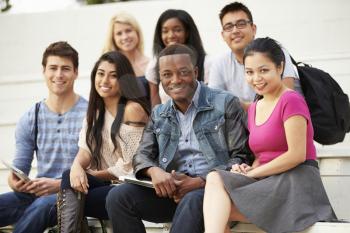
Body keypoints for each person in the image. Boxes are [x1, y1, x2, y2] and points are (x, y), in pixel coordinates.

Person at [105, 44, 253, 233]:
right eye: (167, 74)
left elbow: (241, 157)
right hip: (173, 193)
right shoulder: (159, 114)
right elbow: (142, 155)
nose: (175, 80)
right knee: (118, 197)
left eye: (183, 72)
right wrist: (154, 171)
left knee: (192, 199)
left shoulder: (225, 103)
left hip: (214, 194)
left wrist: (201, 181)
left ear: (196, 71)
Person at [203, 37, 336, 233]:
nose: (256, 78)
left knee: (218, 204)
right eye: (249, 72)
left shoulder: (291, 100)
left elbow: (296, 155)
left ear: (280, 67)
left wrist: (253, 173)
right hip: (268, 181)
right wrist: (247, 168)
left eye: (263, 70)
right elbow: (262, 156)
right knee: (216, 193)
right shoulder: (255, 107)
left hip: (296, 182)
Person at [57, 51, 150, 232]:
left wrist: (90, 174)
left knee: (65, 201)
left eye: (113, 75)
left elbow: (131, 165)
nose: (104, 80)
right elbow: (85, 150)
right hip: (109, 186)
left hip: (132, 188)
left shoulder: (133, 110)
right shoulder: (95, 112)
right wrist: (77, 168)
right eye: (101, 73)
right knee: (69, 177)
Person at [0, 41, 88, 233]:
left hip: (73, 195)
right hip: (37, 194)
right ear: (44, 71)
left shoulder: (90, 114)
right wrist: (15, 181)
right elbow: (19, 169)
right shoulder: (32, 116)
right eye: (53, 68)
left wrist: (58, 184)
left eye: (65, 68)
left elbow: (99, 168)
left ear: (76, 72)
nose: (58, 75)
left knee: (39, 208)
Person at [208, 2, 302, 106]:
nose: (235, 30)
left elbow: (285, 100)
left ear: (253, 29)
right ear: (223, 35)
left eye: (241, 24)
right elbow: (214, 103)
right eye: (228, 27)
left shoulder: (274, 50)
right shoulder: (219, 63)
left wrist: (242, 106)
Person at [146, 9, 211, 107]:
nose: (171, 35)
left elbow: (211, 100)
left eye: (177, 30)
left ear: (187, 32)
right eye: (165, 31)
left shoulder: (207, 62)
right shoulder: (154, 65)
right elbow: (156, 106)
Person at [102, 12, 150, 100]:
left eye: (128, 30)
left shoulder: (151, 64)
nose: (125, 37)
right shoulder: (109, 66)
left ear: (137, 32)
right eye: (119, 33)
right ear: (113, 38)